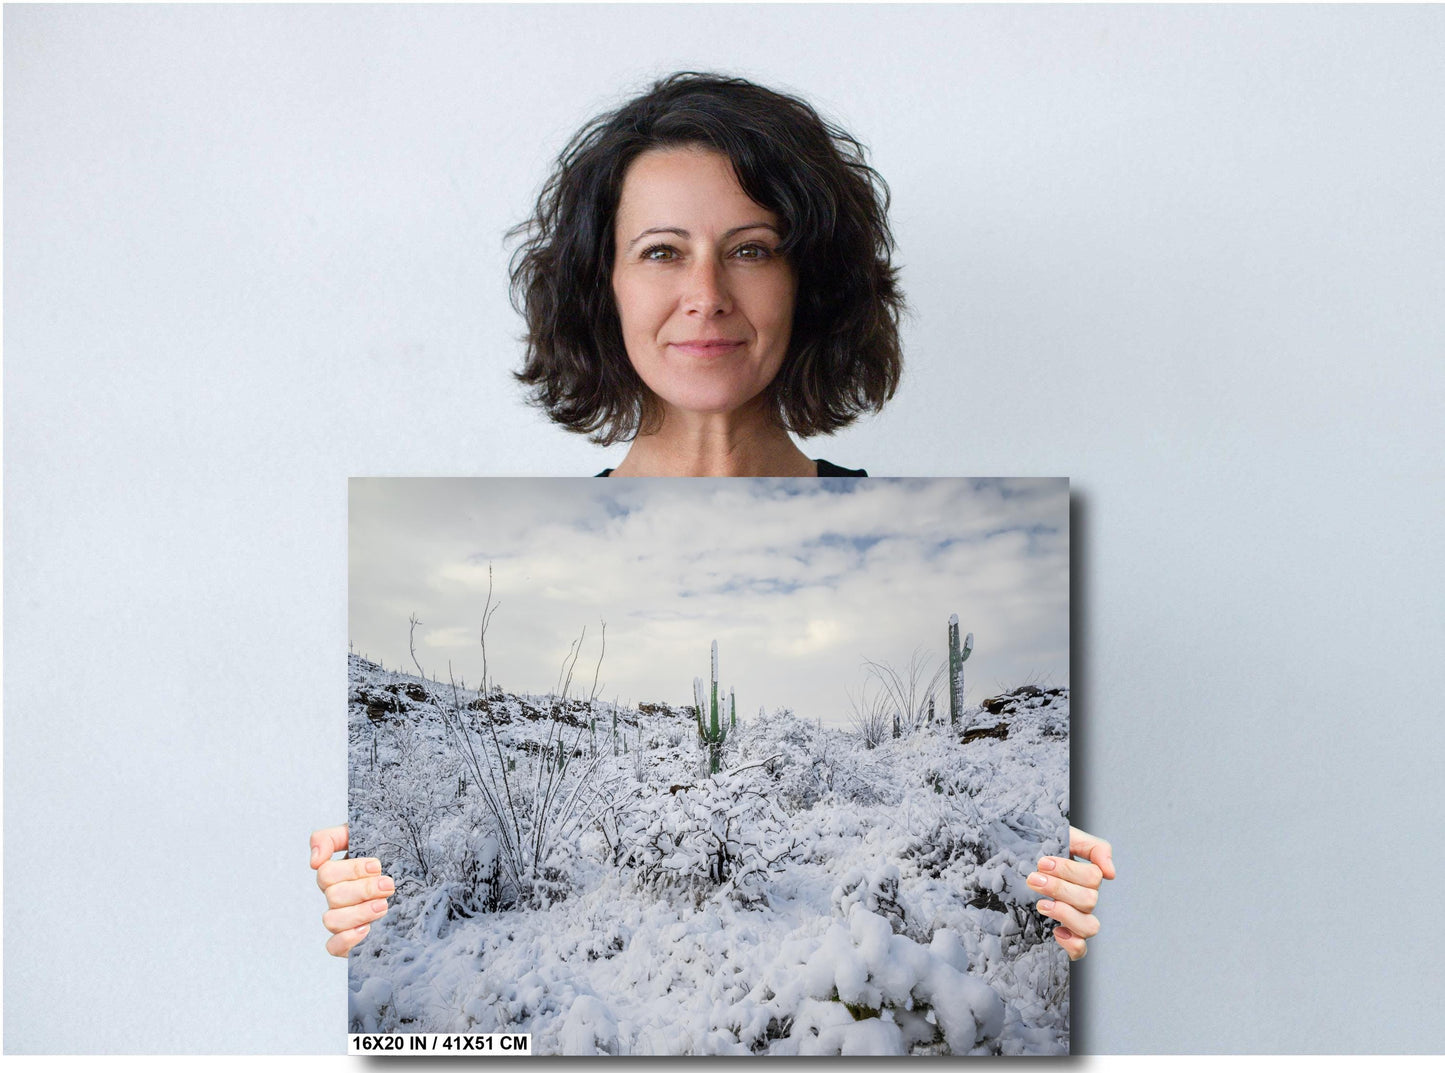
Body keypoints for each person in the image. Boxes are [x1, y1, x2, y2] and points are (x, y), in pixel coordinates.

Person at [312, 72, 1115, 961]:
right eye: (661, 251)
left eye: (751, 248)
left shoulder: (974, 550)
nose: (707, 293)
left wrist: (1077, 913)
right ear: (602, 284)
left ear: (808, 282)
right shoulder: (506, 546)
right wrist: (343, 913)